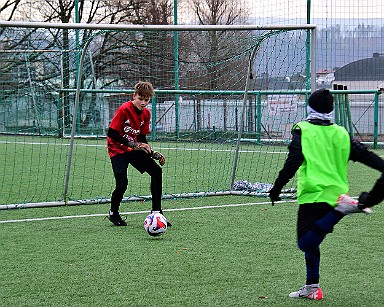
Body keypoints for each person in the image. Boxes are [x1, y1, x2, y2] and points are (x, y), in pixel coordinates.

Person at [268, 88, 384, 300]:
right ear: (331, 110)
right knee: (313, 242)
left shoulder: (302, 129)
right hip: (336, 195)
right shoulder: (340, 133)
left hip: (313, 195)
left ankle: (341, 211)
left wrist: (276, 188)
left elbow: (293, 162)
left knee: (305, 243)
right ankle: (312, 287)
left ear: (309, 107)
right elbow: (364, 155)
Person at [107, 81, 170, 226]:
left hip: (133, 149)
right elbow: (111, 133)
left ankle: (157, 213)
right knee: (122, 183)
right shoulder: (124, 109)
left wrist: (149, 151)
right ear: (134, 96)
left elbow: (141, 137)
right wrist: (131, 144)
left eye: (146, 100)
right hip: (117, 149)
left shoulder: (146, 113)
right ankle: (113, 213)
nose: (143, 102)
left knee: (156, 171)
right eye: (140, 99)